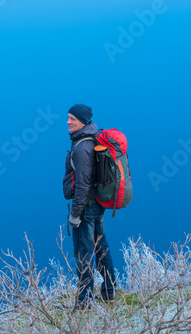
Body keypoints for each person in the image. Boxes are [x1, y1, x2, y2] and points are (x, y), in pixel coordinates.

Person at [62, 104, 116, 308]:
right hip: (97, 204)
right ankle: (109, 293)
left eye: (72, 119)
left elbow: (82, 185)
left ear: (83, 121)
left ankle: (84, 302)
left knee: (84, 254)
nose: (68, 122)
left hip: (85, 208)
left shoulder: (83, 147)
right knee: (102, 249)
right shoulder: (94, 136)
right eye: (68, 118)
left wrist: (75, 215)